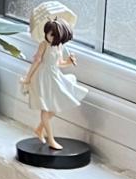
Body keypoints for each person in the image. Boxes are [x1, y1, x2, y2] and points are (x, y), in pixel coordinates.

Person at [21, 18, 88, 150]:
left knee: (54, 108)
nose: (49, 36)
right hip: (42, 77)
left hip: (54, 75)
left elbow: (59, 63)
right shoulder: (43, 45)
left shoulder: (59, 46)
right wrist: (28, 77)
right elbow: (37, 62)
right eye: (48, 33)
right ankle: (50, 139)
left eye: (53, 34)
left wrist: (68, 62)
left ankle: (39, 129)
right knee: (46, 108)